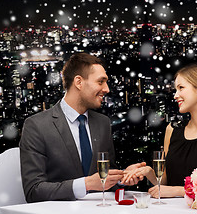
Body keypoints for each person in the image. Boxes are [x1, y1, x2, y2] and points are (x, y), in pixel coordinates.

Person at [20, 52, 144, 203]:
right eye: (101, 82)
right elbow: (34, 191)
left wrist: (121, 178)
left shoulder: (103, 123)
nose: (107, 89)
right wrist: (86, 184)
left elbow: (104, 179)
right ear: (78, 82)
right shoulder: (37, 126)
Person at [122, 62, 197, 198]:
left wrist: (178, 191)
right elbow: (163, 182)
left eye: (181, 88)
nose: (175, 95)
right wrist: (148, 172)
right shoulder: (172, 129)